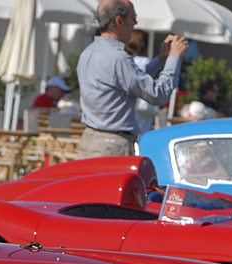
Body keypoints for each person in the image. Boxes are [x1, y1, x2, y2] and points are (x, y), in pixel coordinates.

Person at [76, 0, 188, 159]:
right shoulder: (118, 58)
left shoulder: (89, 52)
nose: (136, 23)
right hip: (112, 144)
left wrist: (161, 59)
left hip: (90, 139)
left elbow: (130, 81)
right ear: (119, 21)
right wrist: (174, 58)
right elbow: (158, 94)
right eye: (133, 18)